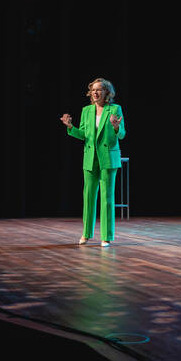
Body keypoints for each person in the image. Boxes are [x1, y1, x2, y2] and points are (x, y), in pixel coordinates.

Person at [61, 77, 126, 247]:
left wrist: (116, 127)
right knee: (88, 197)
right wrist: (70, 127)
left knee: (107, 198)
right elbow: (83, 135)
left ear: (107, 93)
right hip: (90, 158)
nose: (95, 93)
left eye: (99, 90)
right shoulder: (86, 111)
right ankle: (86, 233)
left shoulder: (115, 109)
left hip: (108, 158)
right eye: (93, 90)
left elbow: (122, 135)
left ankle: (106, 236)